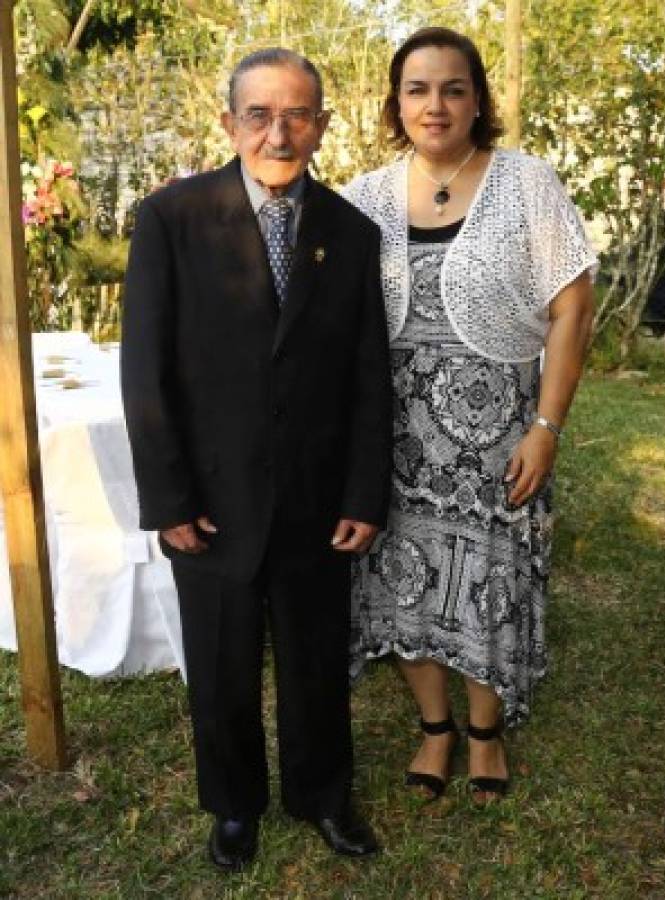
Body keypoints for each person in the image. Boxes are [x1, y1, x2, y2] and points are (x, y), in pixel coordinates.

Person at [121, 48, 392, 871]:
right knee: (220, 660)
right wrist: (169, 500)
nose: (279, 133)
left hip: (316, 499)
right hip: (209, 496)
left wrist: (362, 492)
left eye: (298, 114)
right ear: (228, 122)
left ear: (322, 124)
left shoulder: (349, 231)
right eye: (259, 114)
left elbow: (366, 373)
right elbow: (146, 369)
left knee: (315, 660)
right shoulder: (171, 218)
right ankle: (233, 806)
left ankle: (323, 796)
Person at [343, 27, 596, 804]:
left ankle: (483, 732)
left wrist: (545, 428)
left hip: (499, 436)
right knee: (400, 579)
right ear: (395, 102)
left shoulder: (525, 184)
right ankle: (434, 728)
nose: (435, 104)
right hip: (393, 435)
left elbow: (572, 306)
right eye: (417, 89)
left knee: (490, 575)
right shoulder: (365, 196)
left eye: (453, 88)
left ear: (478, 99)